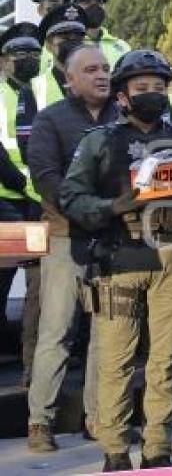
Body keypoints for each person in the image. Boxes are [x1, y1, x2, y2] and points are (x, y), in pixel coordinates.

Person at [59, 49, 172, 471]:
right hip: (118, 260)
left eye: (158, 87)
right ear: (122, 97)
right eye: (141, 89)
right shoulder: (99, 141)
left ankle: (158, 450)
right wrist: (113, 206)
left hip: (171, 259)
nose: (152, 95)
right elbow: (70, 197)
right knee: (115, 364)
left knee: (164, 364)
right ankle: (115, 452)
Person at [26, 45, 119, 452]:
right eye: (91, 69)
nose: (102, 75)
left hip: (113, 238)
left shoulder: (122, 118)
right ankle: (39, 422)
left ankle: (98, 418)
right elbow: (45, 175)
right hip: (65, 236)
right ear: (70, 79)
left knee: (107, 333)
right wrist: (87, 210)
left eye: (106, 68)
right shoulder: (50, 120)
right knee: (57, 331)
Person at [0, 23, 44, 387]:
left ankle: (30, 366)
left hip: (36, 202)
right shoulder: (1, 92)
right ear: (4, 60)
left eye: (33, 53)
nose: (27, 60)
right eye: (19, 55)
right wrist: (17, 182)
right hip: (7, 202)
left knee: (37, 287)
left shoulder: (36, 91)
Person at [65, 0, 131, 68]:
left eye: (99, 2)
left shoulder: (122, 47)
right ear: (73, 8)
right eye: (86, 2)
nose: (94, 6)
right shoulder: (65, 45)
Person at [31, 4, 88, 109]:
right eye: (64, 37)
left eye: (78, 37)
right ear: (49, 45)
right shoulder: (32, 89)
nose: (72, 42)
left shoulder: (96, 82)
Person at [29, 0, 72, 74]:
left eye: (65, 3)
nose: (60, 10)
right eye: (53, 4)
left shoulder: (84, 43)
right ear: (40, 10)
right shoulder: (29, 49)